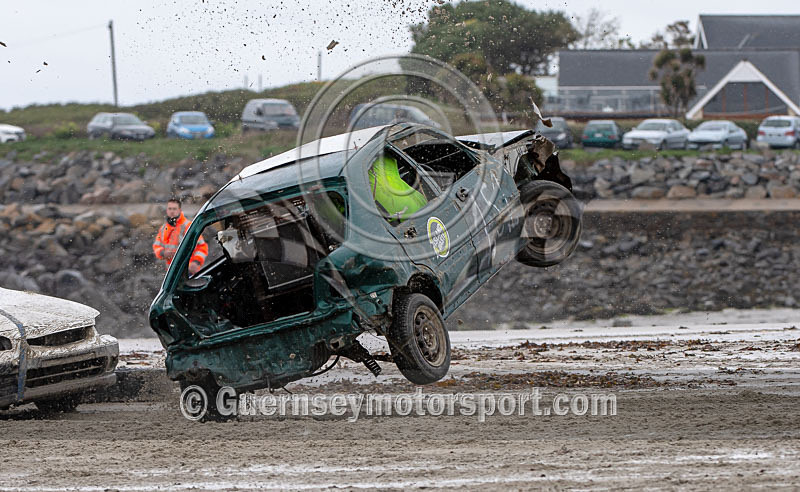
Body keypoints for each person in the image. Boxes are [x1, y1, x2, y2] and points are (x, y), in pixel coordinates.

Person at [153, 198, 208, 275]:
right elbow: (156, 246)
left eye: (174, 209)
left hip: (188, 271)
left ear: (179, 210)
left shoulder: (188, 226)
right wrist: (163, 253)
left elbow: (202, 246)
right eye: (170, 209)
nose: (172, 211)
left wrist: (196, 262)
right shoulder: (163, 228)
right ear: (167, 210)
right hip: (171, 273)